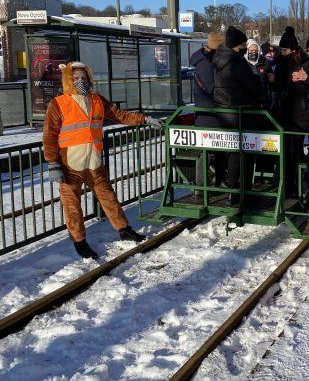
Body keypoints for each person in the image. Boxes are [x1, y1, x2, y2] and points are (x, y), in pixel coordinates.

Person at [43, 62, 163, 259]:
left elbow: (119, 115)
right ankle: (79, 241)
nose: (80, 81)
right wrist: (53, 163)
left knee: (108, 197)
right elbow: (49, 135)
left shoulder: (97, 100)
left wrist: (145, 119)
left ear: (89, 79)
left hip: (94, 161)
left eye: (83, 78)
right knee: (72, 205)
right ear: (68, 80)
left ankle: (124, 229)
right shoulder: (58, 103)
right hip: (69, 164)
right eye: (75, 78)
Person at [212, 26, 263, 204]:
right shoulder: (237, 62)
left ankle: (233, 192)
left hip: (223, 112)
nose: (244, 47)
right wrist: (258, 80)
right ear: (237, 45)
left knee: (234, 153)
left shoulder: (218, 58)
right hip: (241, 112)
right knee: (245, 154)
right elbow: (254, 86)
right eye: (242, 44)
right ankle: (243, 192)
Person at [273, 26, 309, 196]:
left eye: (285, 49)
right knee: (285, 151)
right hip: (284, 113)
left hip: (301, 115)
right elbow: (279, 87)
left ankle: (293, 188)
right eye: (281, 49)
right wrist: (272, 81)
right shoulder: (280, 63)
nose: (282, 52)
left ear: (293, 49)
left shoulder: (304, 62)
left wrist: (306, 78)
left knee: (294, 151)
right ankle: (285, 186)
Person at [190, 32, 226, 191]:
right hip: (208, 116)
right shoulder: (205, 64)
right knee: (207, 152)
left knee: (217, 151)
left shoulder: (208, 61)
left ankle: (217, 181)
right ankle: (201, 187)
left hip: (213, 115)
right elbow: (212, 88)